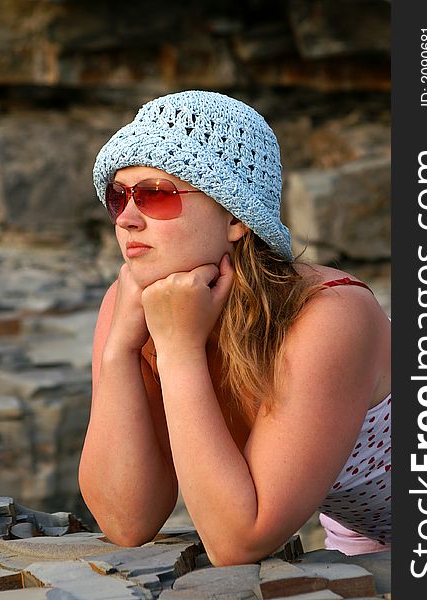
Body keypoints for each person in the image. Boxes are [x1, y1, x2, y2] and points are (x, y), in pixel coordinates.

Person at [78, 90, 391, 566]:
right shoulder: (135, 304)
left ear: (235, 217)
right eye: (117, 197)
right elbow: (127, 521)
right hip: (365, 541)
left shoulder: (329, 314)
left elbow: (238, 540)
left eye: (156, 195)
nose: (127, 218)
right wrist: (120, 350)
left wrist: (179, 351)